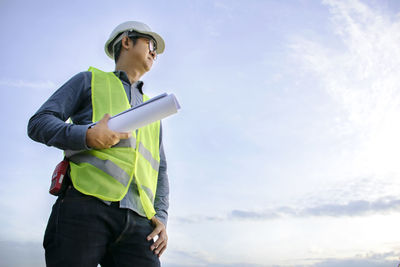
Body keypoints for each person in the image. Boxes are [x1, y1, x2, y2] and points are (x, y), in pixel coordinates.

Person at [28, 21, 169, 267]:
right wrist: (87, 135)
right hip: (84, 207)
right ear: (126, 41)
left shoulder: (154, 110)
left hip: (139, 224)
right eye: (151, 43)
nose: (154, 52)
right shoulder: (88, 81)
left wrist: (161, 217)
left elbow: (161, 171)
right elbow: (39, 123)